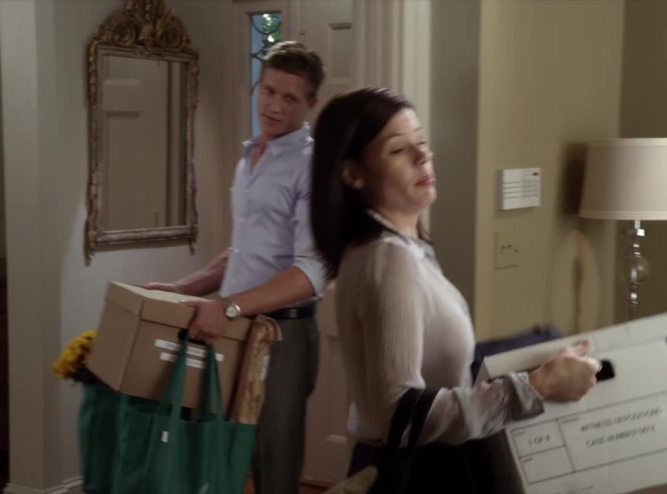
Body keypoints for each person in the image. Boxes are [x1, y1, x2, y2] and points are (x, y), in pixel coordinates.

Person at [309, 88, 599, 492]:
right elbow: (398, 413)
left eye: (422, 142)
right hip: (424, 475)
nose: (422, 156)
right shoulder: (389, 260)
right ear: (353, 174)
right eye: (398, 149)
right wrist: (537, 387)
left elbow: (435, 369)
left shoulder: (397, 251)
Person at [146, 41, 326, 494]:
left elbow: (311, 272)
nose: (274, 106)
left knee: (274, 464)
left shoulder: (313, 166)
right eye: (268, 91)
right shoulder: (249, 156)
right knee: (225, 457)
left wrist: (227, 307)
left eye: (289, 98)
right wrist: (181, 288)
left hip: (284, 333)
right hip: (237, 327)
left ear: (311, 103)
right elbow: (244, 253)